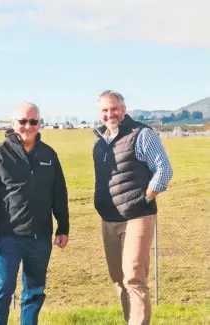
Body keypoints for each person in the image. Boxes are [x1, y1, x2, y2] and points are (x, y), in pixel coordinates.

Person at [0, 102, 69, 325]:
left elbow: (59, 193)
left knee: (34, 292)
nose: (28, 126)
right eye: (22, 121)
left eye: (33, 121)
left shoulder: (49, 155)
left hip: (40, 238)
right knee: (2, 290)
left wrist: (63, 227)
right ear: (13, 123)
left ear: (40, 123)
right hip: (8, 236)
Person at [93, 90, 173, 325]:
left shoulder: (141, 134)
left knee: (134, 279)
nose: (110, 114)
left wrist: (146, 198)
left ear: (124, 109)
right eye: (105, 110)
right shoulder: (100, 141)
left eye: (114, 108)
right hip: (109, 217)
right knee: (118, 279)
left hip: (138, 216)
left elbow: (164, 170)